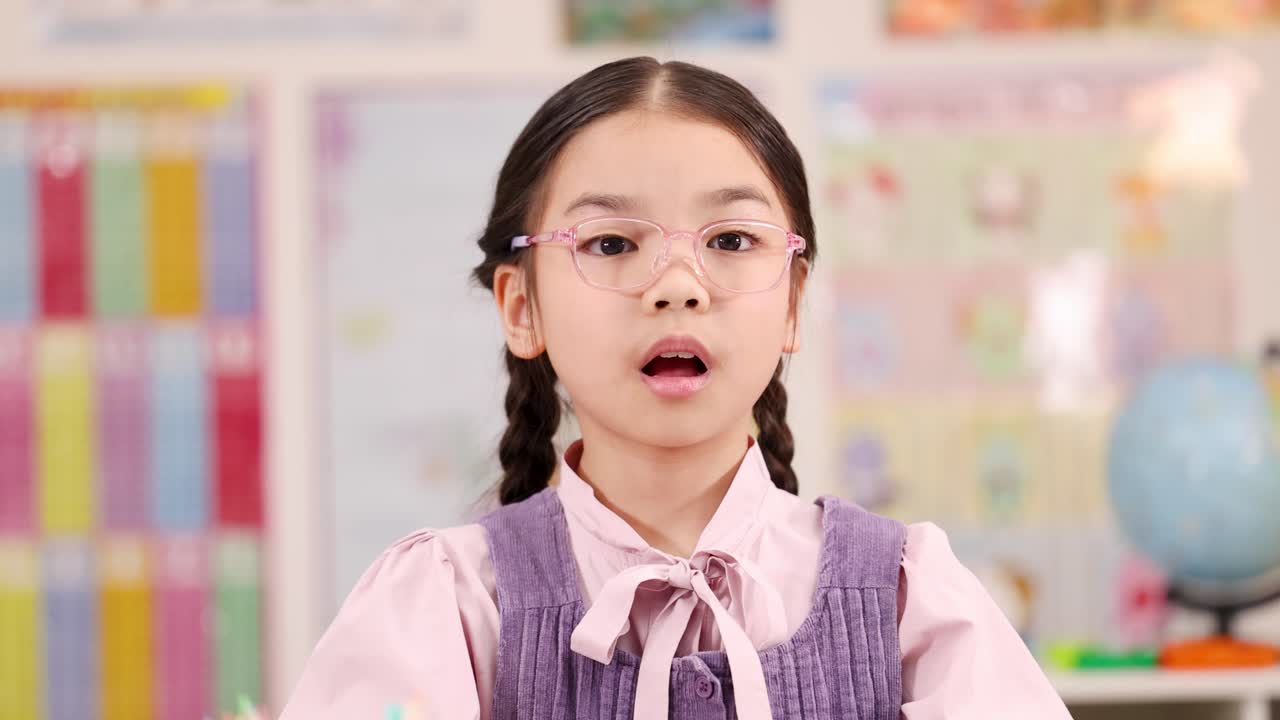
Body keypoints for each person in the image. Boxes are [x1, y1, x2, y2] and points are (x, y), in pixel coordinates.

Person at [280, 56, 1072, 720]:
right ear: (521, 307)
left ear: (793, 301)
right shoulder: (448, 605)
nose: (679, 285)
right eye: (613, 242)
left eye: (731, 239)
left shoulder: (910, 598)